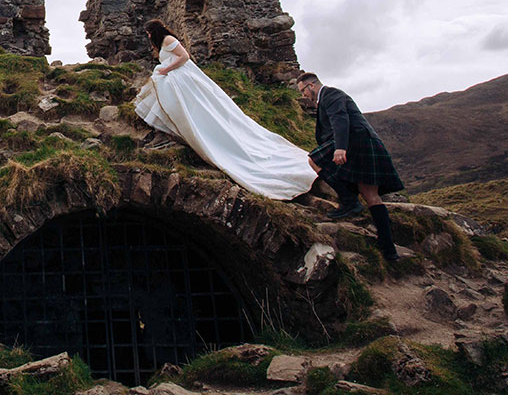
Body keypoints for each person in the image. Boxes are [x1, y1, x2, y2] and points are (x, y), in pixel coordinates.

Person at [133, 20, 317, 200]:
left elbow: (184, 57)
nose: (148, 36)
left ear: (154, 31)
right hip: (175, 78)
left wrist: (166, 69)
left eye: (149, 33)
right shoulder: (161, 44)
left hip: (182, 76)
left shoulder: (168, 40)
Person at [296, 72, 404, 261]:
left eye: (303, 91)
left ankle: (349, 201)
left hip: (356, 142)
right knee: (370, 194)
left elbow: (340, 119)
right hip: (362, 141)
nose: (304, 96)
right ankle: (389, 250)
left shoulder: (331, 94)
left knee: (314, 159)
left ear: (311, 86)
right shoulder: (327, 98)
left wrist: (340, 148)